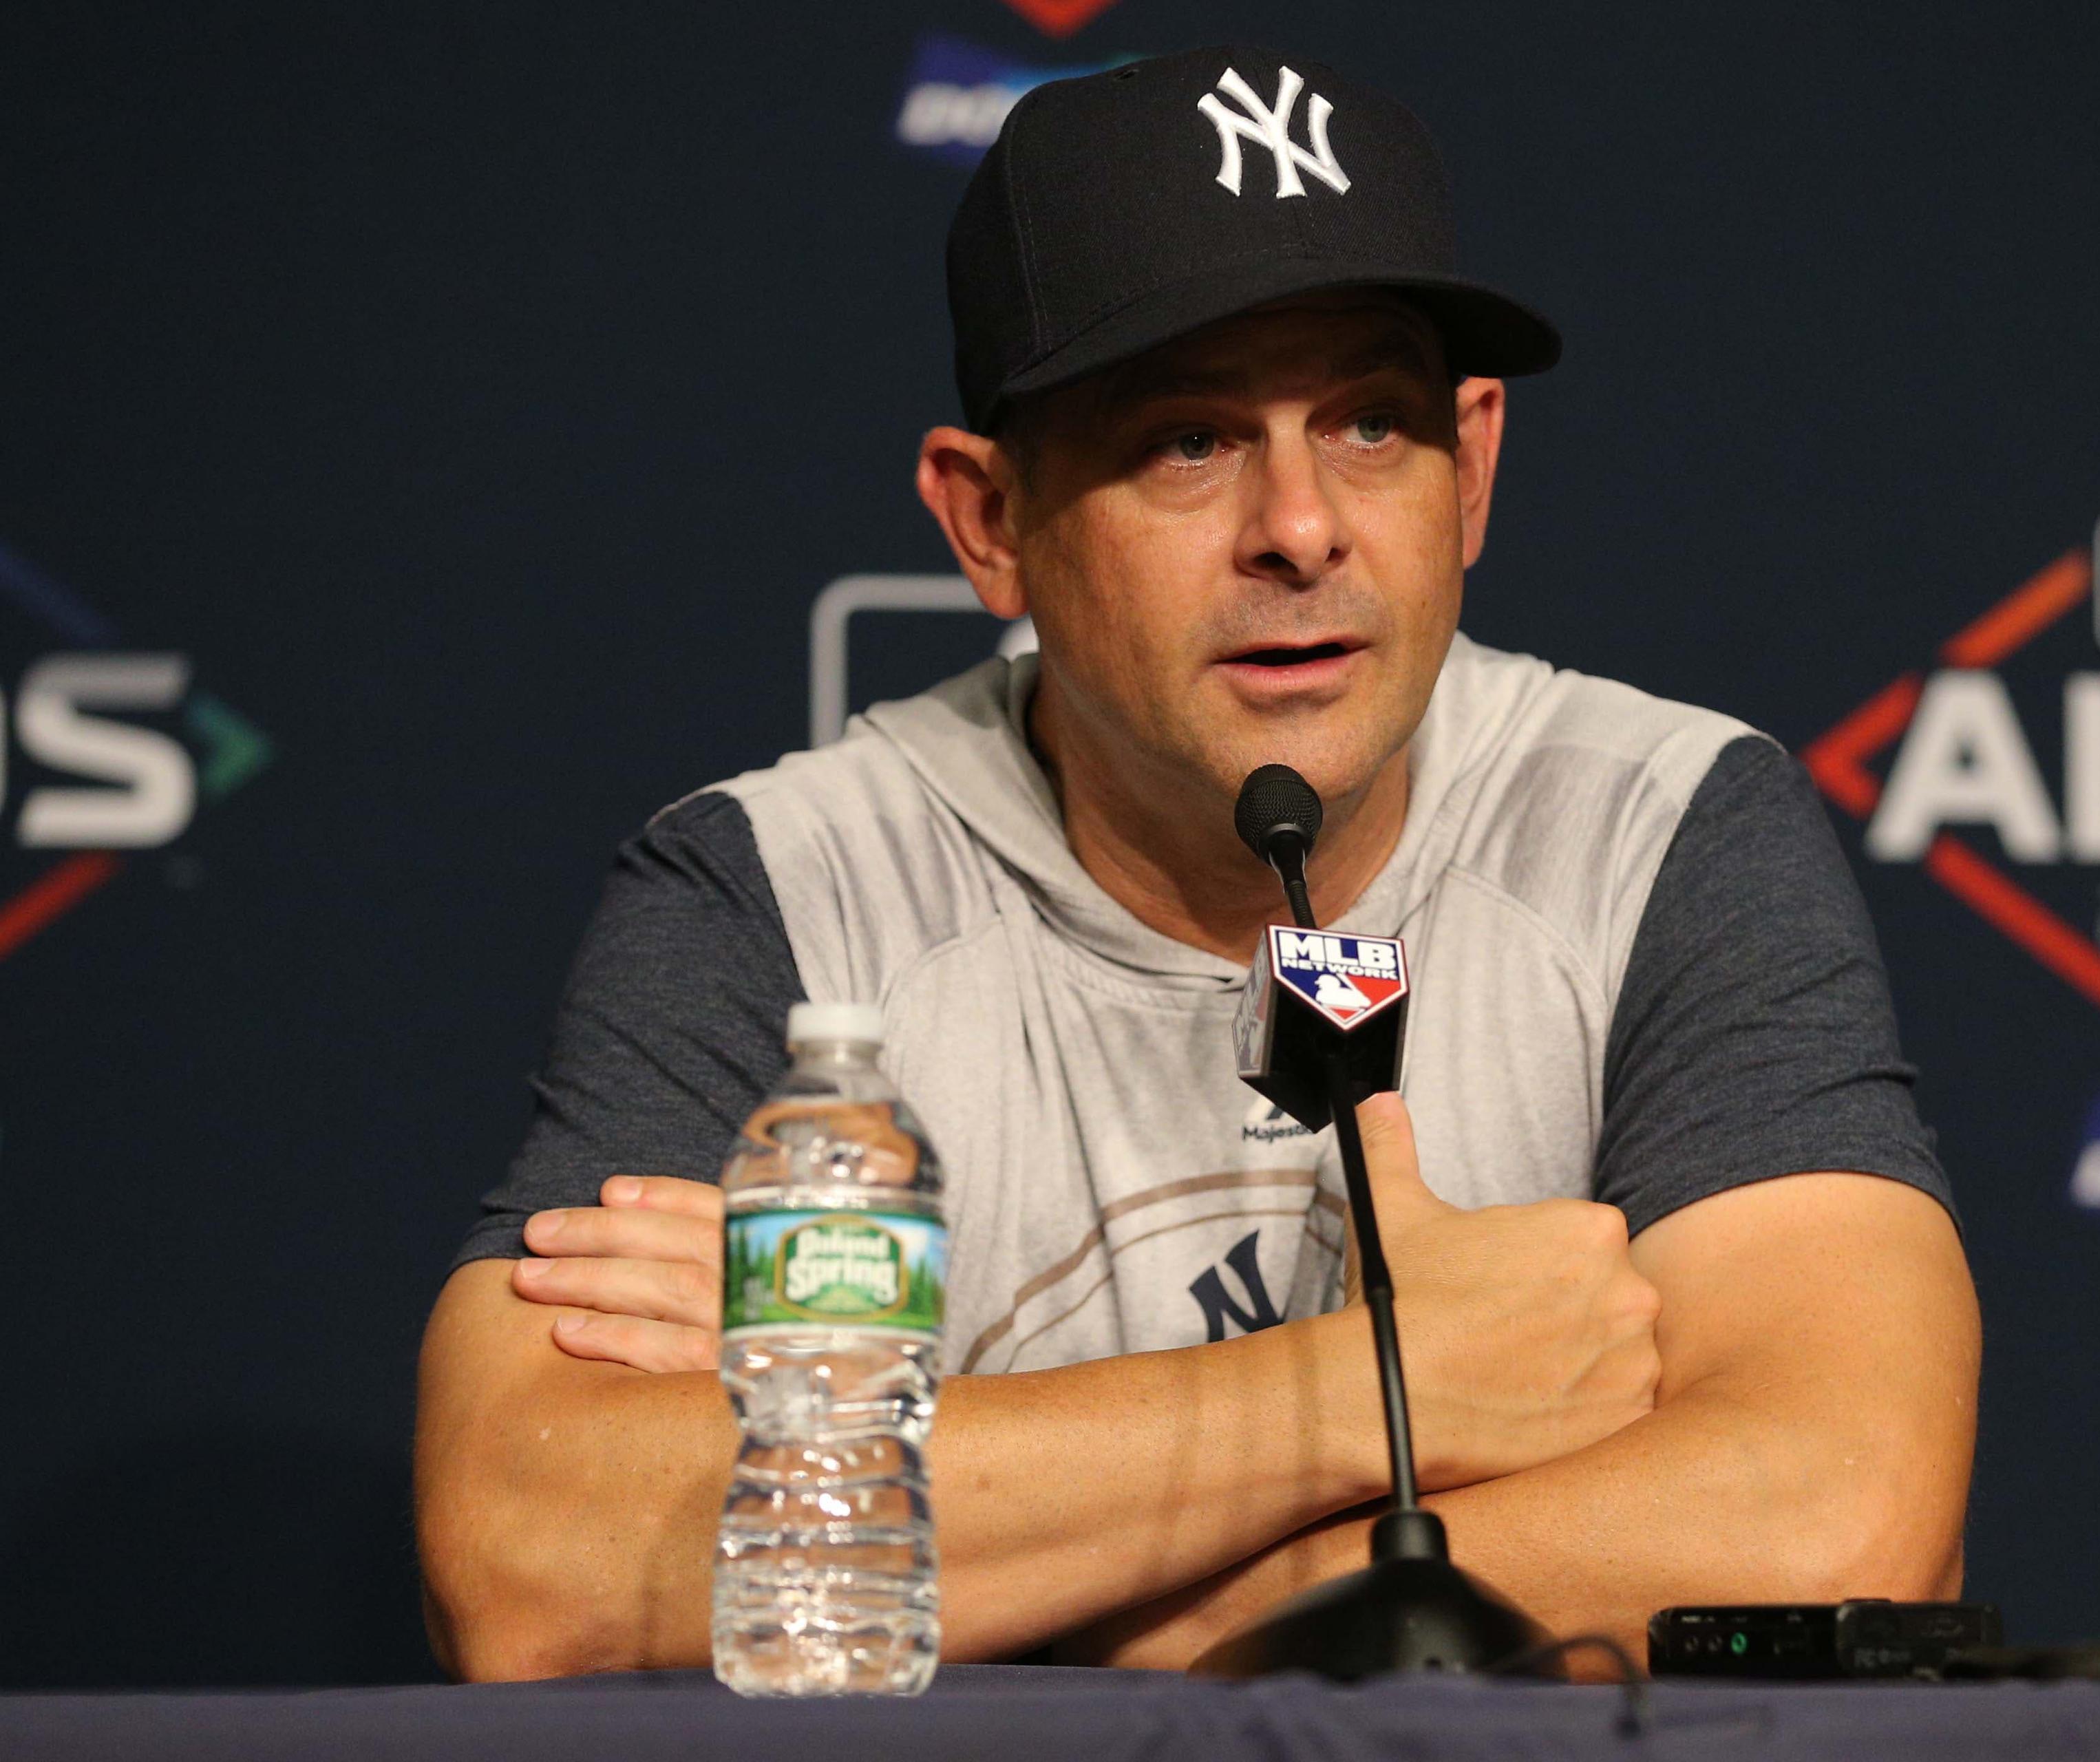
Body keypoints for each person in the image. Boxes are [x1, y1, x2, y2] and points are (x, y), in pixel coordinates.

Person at [414, 44, 1979, 1680]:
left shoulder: (1658, 827)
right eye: (1186, 441)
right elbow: (536, 1562)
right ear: (989, 520)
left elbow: (1839, 1521)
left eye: (1373, 422)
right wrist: (1386, 1387)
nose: (1300, 526)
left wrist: (997, 1570)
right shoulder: (783, 893)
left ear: (1477, 469)